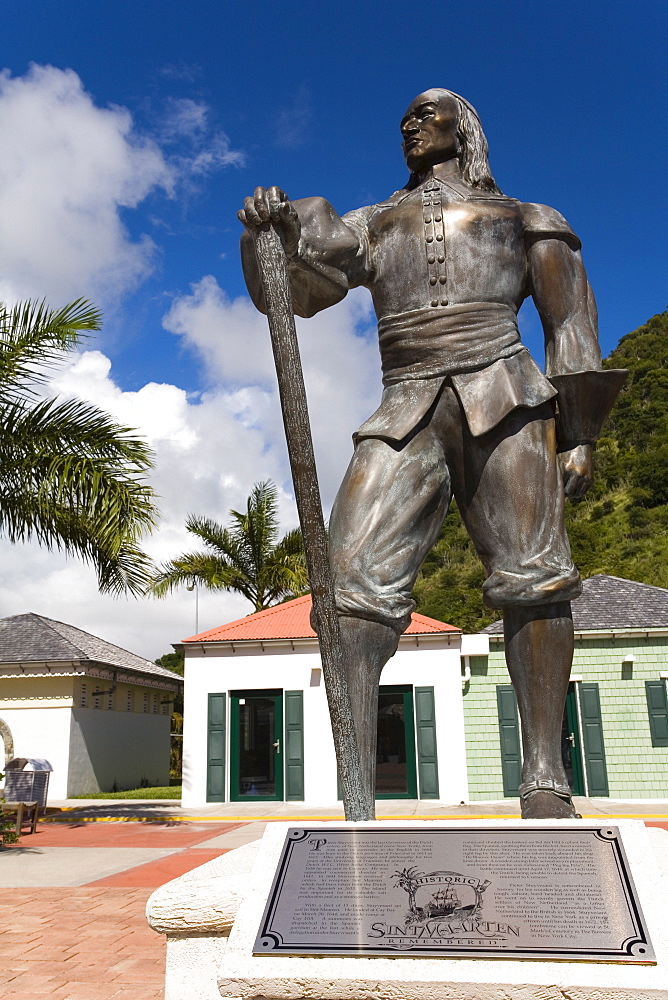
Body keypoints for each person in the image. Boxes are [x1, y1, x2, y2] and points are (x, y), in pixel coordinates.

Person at [238, 89, 625, 819]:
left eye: (427, 112)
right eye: (405, 120)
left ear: (464, 126)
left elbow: (570, 326)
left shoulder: (526, 218)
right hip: (404, 407)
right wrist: (265, 236)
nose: (411, 124)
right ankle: (355, 787)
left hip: (506, 396)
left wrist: (579, 432)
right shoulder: (371, 223)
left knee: (535, 581)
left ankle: (545, 777)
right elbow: (290, 293)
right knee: (347, 586)